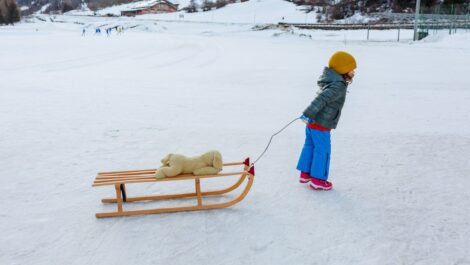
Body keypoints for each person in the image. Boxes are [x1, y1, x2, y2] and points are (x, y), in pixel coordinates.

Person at [297, 51, 357, 190]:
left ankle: (305, 173)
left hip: (313, 122)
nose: (353, 72)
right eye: (351, 69)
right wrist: (308, 113)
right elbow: (321, 99)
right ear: (342, 69)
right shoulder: (338, 85)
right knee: (322, 150)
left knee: (310, 146)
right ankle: (318, 179)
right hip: (321, 124)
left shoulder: (331, 80)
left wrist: (309, 115)